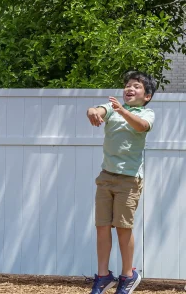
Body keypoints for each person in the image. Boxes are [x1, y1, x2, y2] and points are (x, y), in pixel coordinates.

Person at [86, 71, 156, 294]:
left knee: (123, 228)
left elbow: (141, 126)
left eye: (136, 86)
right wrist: (93, 112)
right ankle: (103, 276)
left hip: (129, 180)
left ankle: (128, 275)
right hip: (106, 177)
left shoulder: (146, 113)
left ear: (147, 96)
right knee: (102, 227)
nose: (130, 88)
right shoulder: (112, 108)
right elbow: (98, 110)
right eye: (127, 85)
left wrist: (122, 111)